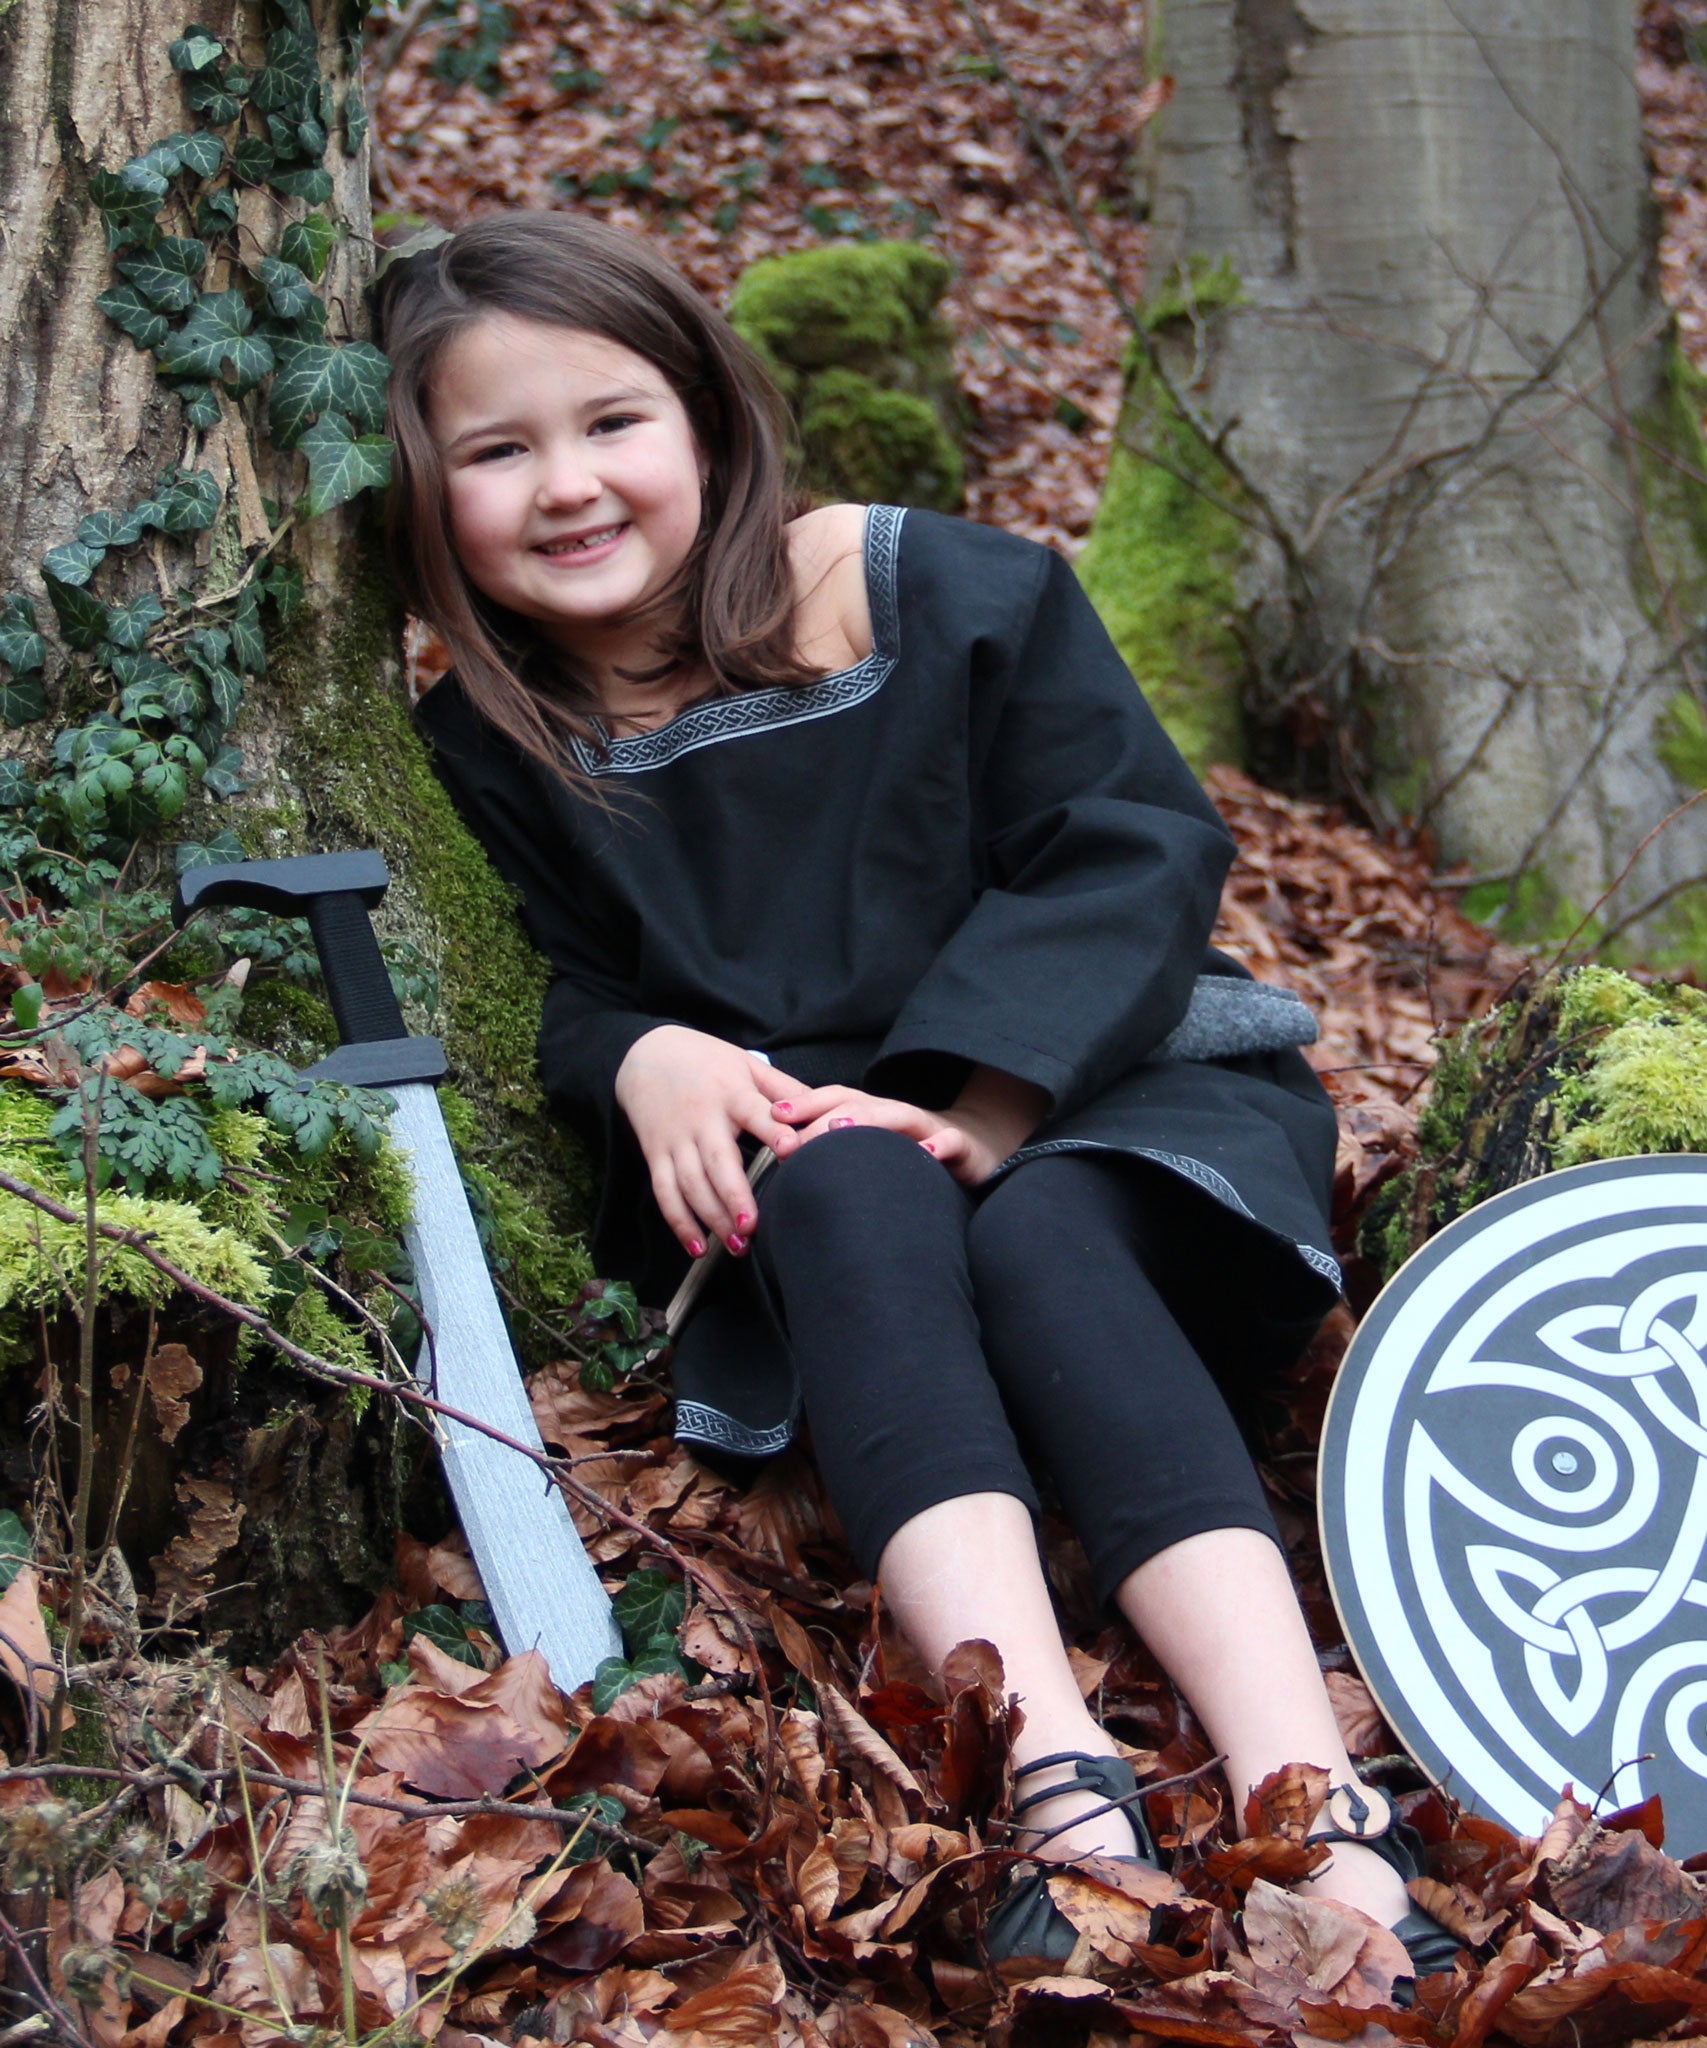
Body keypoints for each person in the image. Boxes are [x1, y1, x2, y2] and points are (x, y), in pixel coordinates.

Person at [375, 211, 1455, 1980]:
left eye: (610, 423)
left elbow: (1126, 848)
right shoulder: (488, 750)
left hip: (1106, 1095)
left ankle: (1317, 1794)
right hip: (825, 1163)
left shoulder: (935, 590)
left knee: (1042, 1242)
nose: (566, 486)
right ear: (428, 501)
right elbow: (538, 985)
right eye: (495, 453)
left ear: (710, 421)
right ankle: (1057, 1788)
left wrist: (985, 1099)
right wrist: (636, 1051)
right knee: (841, 1187)